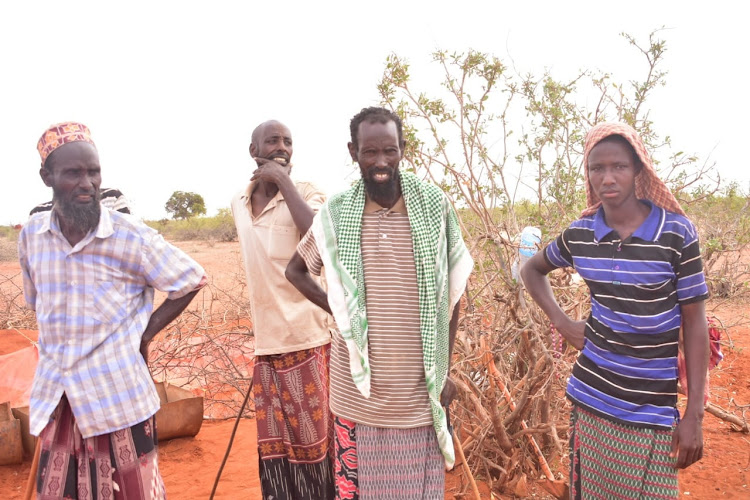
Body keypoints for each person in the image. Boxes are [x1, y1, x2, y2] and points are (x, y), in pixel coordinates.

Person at [285, 107, 474, 499]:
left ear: (403, 149)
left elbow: (453, 294)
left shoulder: (434, 208)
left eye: (390, 150)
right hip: (357, 396)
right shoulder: (335, 214)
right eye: (370, 152)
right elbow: (296, 271)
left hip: (417, 392)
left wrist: (444, 368)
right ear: (353, 152)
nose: (381, 162)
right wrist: (340, 311)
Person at [520, 122, 709, 499]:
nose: (607, 177)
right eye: (597, 168)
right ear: (587, 174)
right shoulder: (581, 234)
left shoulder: (676, 233)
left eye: (619, 166)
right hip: (592, 397)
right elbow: (531, 269)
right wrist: (562, 321)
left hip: (653, 407)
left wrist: (694, 415)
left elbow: (695, 321)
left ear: (639, 170)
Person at [19, 122, 206, 499]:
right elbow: (38, 304)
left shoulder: (129, 235)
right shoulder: (32, 237)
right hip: (58, 400)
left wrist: (145, 333)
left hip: (117, 398)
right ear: (47, 177)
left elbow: (191, 279)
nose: (88, 183)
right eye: (74, 173)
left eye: (94, 172)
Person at [230, 120, 334, 498]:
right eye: (272, 141)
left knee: (314, 448)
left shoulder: (309, 193)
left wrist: (285, 183)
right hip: (266, 347)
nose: (282, 147)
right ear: (253, 148)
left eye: (288, 142)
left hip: (308, 340)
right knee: (274, 452)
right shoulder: (238, 202)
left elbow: (318, 242)